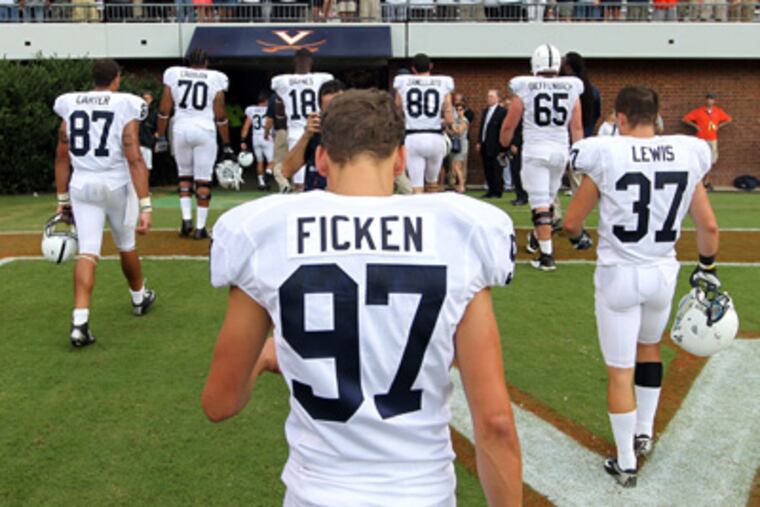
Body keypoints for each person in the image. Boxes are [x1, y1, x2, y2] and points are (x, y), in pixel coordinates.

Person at [201, 88, 523, 507]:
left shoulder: (263, 231)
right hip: (421, 492)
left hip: (316, 493)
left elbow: (220, 402)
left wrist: (264, 357)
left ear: (320, 159)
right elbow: (495, 423)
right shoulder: (457, 230)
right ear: (401, 159)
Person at [564, 86, 720, 488]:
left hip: (620, 275)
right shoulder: (687, 153)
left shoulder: (606, 153)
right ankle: (645, 431)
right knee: (649, 347)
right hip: (662, 274)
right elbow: (709, 225)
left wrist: (579, 238)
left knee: (620, 372)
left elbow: (571, 223)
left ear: (620, 117)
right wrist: (708, 267)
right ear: (657, 115)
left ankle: (626, 461)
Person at [52, 59, 156, 347]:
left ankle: (79, 322)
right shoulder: (126, 103)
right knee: (126, 244)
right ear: (117, 79)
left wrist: (62, 199)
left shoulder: (70, 103)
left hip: (82, 185)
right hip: (116, 185)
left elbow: (61, 155)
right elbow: (133, 155)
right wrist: (145, 204)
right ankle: (138, 298)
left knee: (87, 252)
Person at [500, 44, 584, 271]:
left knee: (539, 204)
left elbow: (510, 123)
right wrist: (578, 154)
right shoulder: (571, 88)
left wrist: (504, 144)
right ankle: (539, 240)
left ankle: (547, 256)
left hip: (536, 149)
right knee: (546, 201)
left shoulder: (525, 87)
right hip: (560, 151)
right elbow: (576, 128)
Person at [155, 49, 233, 240]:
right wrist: (227, 143)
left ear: (188, 61)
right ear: (206, 62)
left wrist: (161, 135)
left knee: (184, 176)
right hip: (204, 129)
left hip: (181, 129)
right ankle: (200, 227)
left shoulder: (174, 73)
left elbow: (164, 109)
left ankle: (186, 220)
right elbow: (220, 114)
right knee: (203, 180)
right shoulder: (216, 77)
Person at [271, 48, 334, 192]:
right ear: (311, 61)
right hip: (318, 129)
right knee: (322, 175)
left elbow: (279, 108)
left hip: (296, 131)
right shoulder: (322, 78)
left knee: (300, 183)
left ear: (294, 61)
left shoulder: (282, 81)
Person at [393, 53, 454, 194]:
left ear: (413, 69)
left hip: (413, 137)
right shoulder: (443, 83)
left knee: (416, 186)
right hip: (435, 137)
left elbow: (397, 111)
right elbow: (449, 117)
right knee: (432, 183)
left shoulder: (403, 83)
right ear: (431, 66)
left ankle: (419, 213)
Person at [281, 79, 345, 191]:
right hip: (315, 204)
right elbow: (287, 171)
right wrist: (307, 134)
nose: (335, 115)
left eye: (339, 109)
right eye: (329, 110)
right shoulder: (315, 136)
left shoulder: (358, 136)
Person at [682, 93, 732, 191]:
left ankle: (707, 180)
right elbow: (685, 119)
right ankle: (699, 180)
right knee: (699, 159)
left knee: (711, 160)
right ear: (706, 100)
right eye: (708, 99)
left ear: (714, 101)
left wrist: (718, 127)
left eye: (712, 99)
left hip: (712, 138)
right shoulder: (699, 111)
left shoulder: (718, 111)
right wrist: (696, 126)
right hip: (701, 138)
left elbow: (729, 119)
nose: (710, 101)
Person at [241, 91, 275, 190]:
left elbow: (246, 126)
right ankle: (267, 176)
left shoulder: (251, 110)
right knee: (272, 161)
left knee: (259, 161)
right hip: (266, 136)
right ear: (266, 101)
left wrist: (243, 140)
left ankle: (261, 183)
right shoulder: (270, 109)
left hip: (255, 138)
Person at [477, 89, 507, 198]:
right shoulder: (486, 111)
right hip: (485, 144)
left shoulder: (502, 112)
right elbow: (483, 128)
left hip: (496, 146)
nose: (489, 98)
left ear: (498, 98)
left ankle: (497, 191)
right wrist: (480, 141)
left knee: (496, 169)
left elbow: (503, 129)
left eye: (492, 96)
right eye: (488, 96)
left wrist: (503, 146)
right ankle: (490, 190)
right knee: (487, 168)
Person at [447, 102, 469, 193]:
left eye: (461, 109)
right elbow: (451, 133)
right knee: (455, 166)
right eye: (457, 110)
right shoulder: (455, 120)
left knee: (457, 166)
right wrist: (448, 129)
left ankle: (462, 185)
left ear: (464, 110)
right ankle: (459, 185)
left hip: (461, 145)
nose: (459, 111)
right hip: (454, 144)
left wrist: (451, 126)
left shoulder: (464, 120)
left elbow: (459, 131)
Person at [138, 90, 158, 171]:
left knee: (147, 168)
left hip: (147, 144)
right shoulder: (137, 111)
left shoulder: (154, 113)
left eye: (148, 98)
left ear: (151, 99)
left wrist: (154, 140)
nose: (146, 100)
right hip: (136, 143)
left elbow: (157, 129)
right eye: (144, 98)